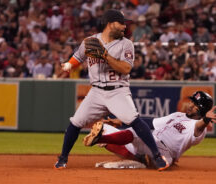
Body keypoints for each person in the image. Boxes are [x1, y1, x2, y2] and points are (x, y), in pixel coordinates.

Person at [55, 9, 168, 171]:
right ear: (110, 24)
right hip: (96, 92)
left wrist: (105, 55)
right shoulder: (90, 41)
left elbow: (125, 68)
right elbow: (78, 57)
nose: (124, 26)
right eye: (121, 23)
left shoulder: (126, 44)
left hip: (118, 91)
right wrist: (68, 65)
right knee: (75, 122)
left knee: (133, 119)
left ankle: (157, 156)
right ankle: (63, 158)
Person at [83, 91, 216, 169]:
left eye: (195, 104)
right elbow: (150, 122)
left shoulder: (198, 128)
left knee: (135, 133)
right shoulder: (178, 115)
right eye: (192, 101)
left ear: (202, 110)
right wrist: (120, 122)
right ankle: (139, 159)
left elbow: (199, 127)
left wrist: (206, 120)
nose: (191, 104)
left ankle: (99, 139)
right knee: (107, 128)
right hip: (149, 142)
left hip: (163, 152)